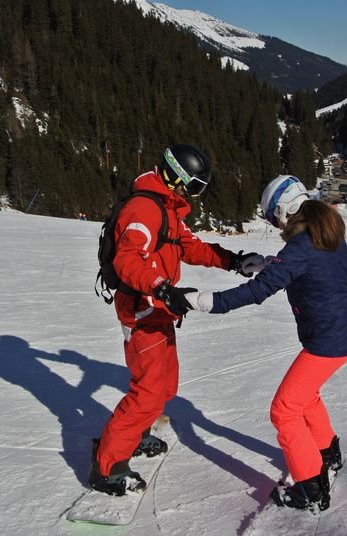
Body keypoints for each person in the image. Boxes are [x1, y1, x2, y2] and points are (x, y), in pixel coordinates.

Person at [89, 144, 265, 496]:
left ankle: (134, 435)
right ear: (177, 178)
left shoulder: (165, 209)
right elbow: (127, 260)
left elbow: (189, 246)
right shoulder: (144, 209)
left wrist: (232, 261)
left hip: (158, 308)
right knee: (149, 392)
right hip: (141, 309)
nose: (194, 195)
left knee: (165, 385)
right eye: (194, 186)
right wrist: (161, 287)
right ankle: (108, 467)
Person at [185, 175, 347, 511]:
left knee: (283, 410)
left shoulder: (301, 247)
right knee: (305, 397)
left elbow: (259, 290)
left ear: (282, 212)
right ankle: (327, 455)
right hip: (340, 334)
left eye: (271, 218)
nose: (275, 225)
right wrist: (269, 264)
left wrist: (203, 301)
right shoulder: (327, 232)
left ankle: (311, 489)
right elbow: (308, 267)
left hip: (327, 340)